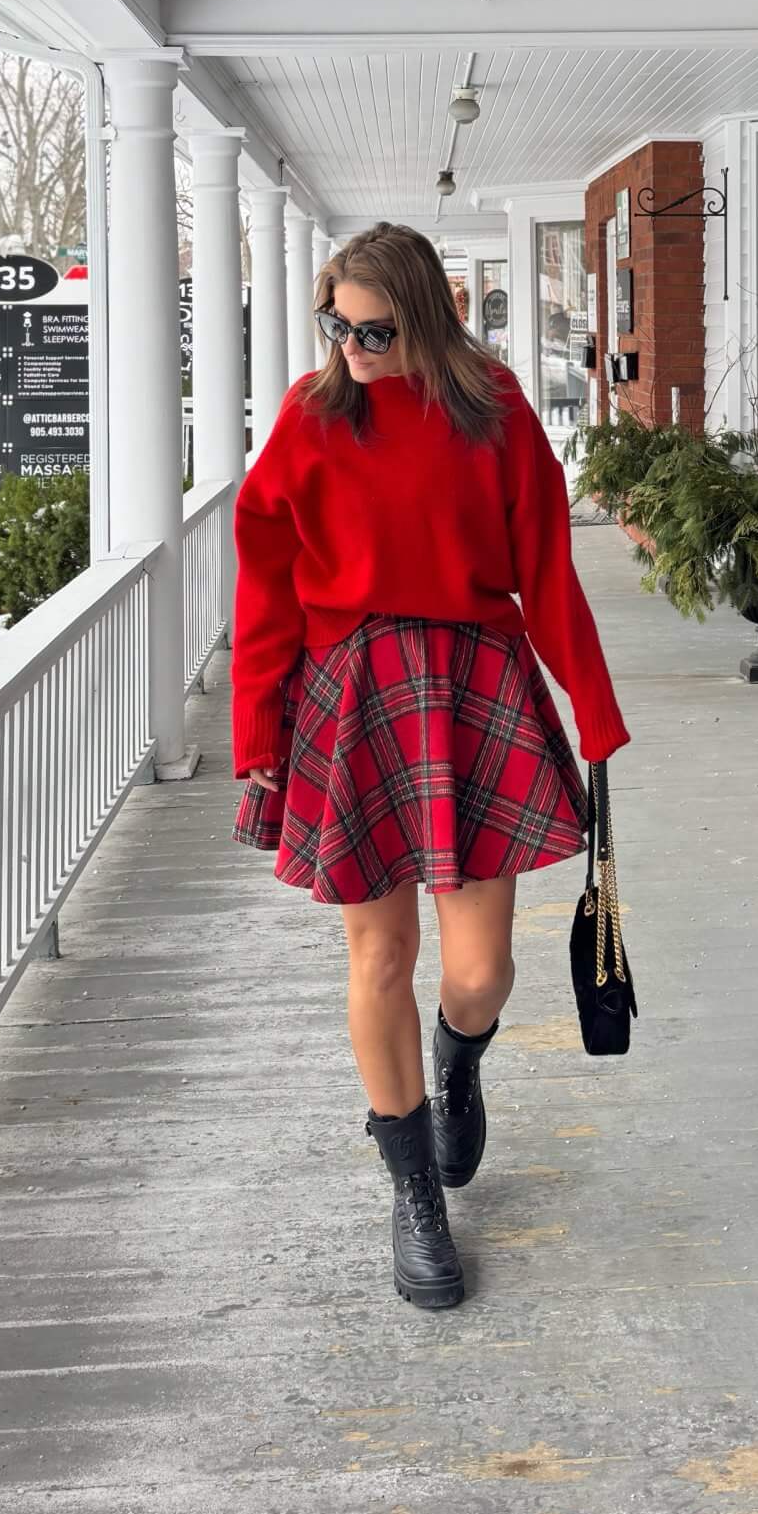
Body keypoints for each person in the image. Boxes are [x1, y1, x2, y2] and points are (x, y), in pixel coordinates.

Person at [231, 221, 629, 1310]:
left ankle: (460, 1060)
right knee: (379, 953)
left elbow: (548, 564)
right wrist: (258, 733)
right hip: (352, 696)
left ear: (428, 318)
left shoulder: (492, 410)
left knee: (477, 969)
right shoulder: (312, 421)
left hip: (472, 687)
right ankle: (415, 1199)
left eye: (376, 326)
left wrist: (591, 708)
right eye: (336, 323)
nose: (352, 343)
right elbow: (264, 577)